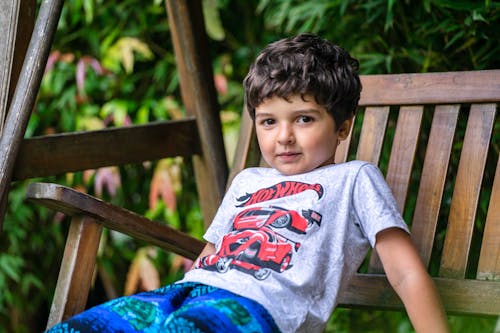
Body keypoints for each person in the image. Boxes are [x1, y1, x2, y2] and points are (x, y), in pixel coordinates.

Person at [46, 33, 449, 333]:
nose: (283, 136)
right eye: (268, 121)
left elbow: (405, 273)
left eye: (304, 119)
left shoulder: (354, 179)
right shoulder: (248, 180)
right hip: (191, 291)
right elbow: (210, 256)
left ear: (342, 126)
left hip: (264, 308)